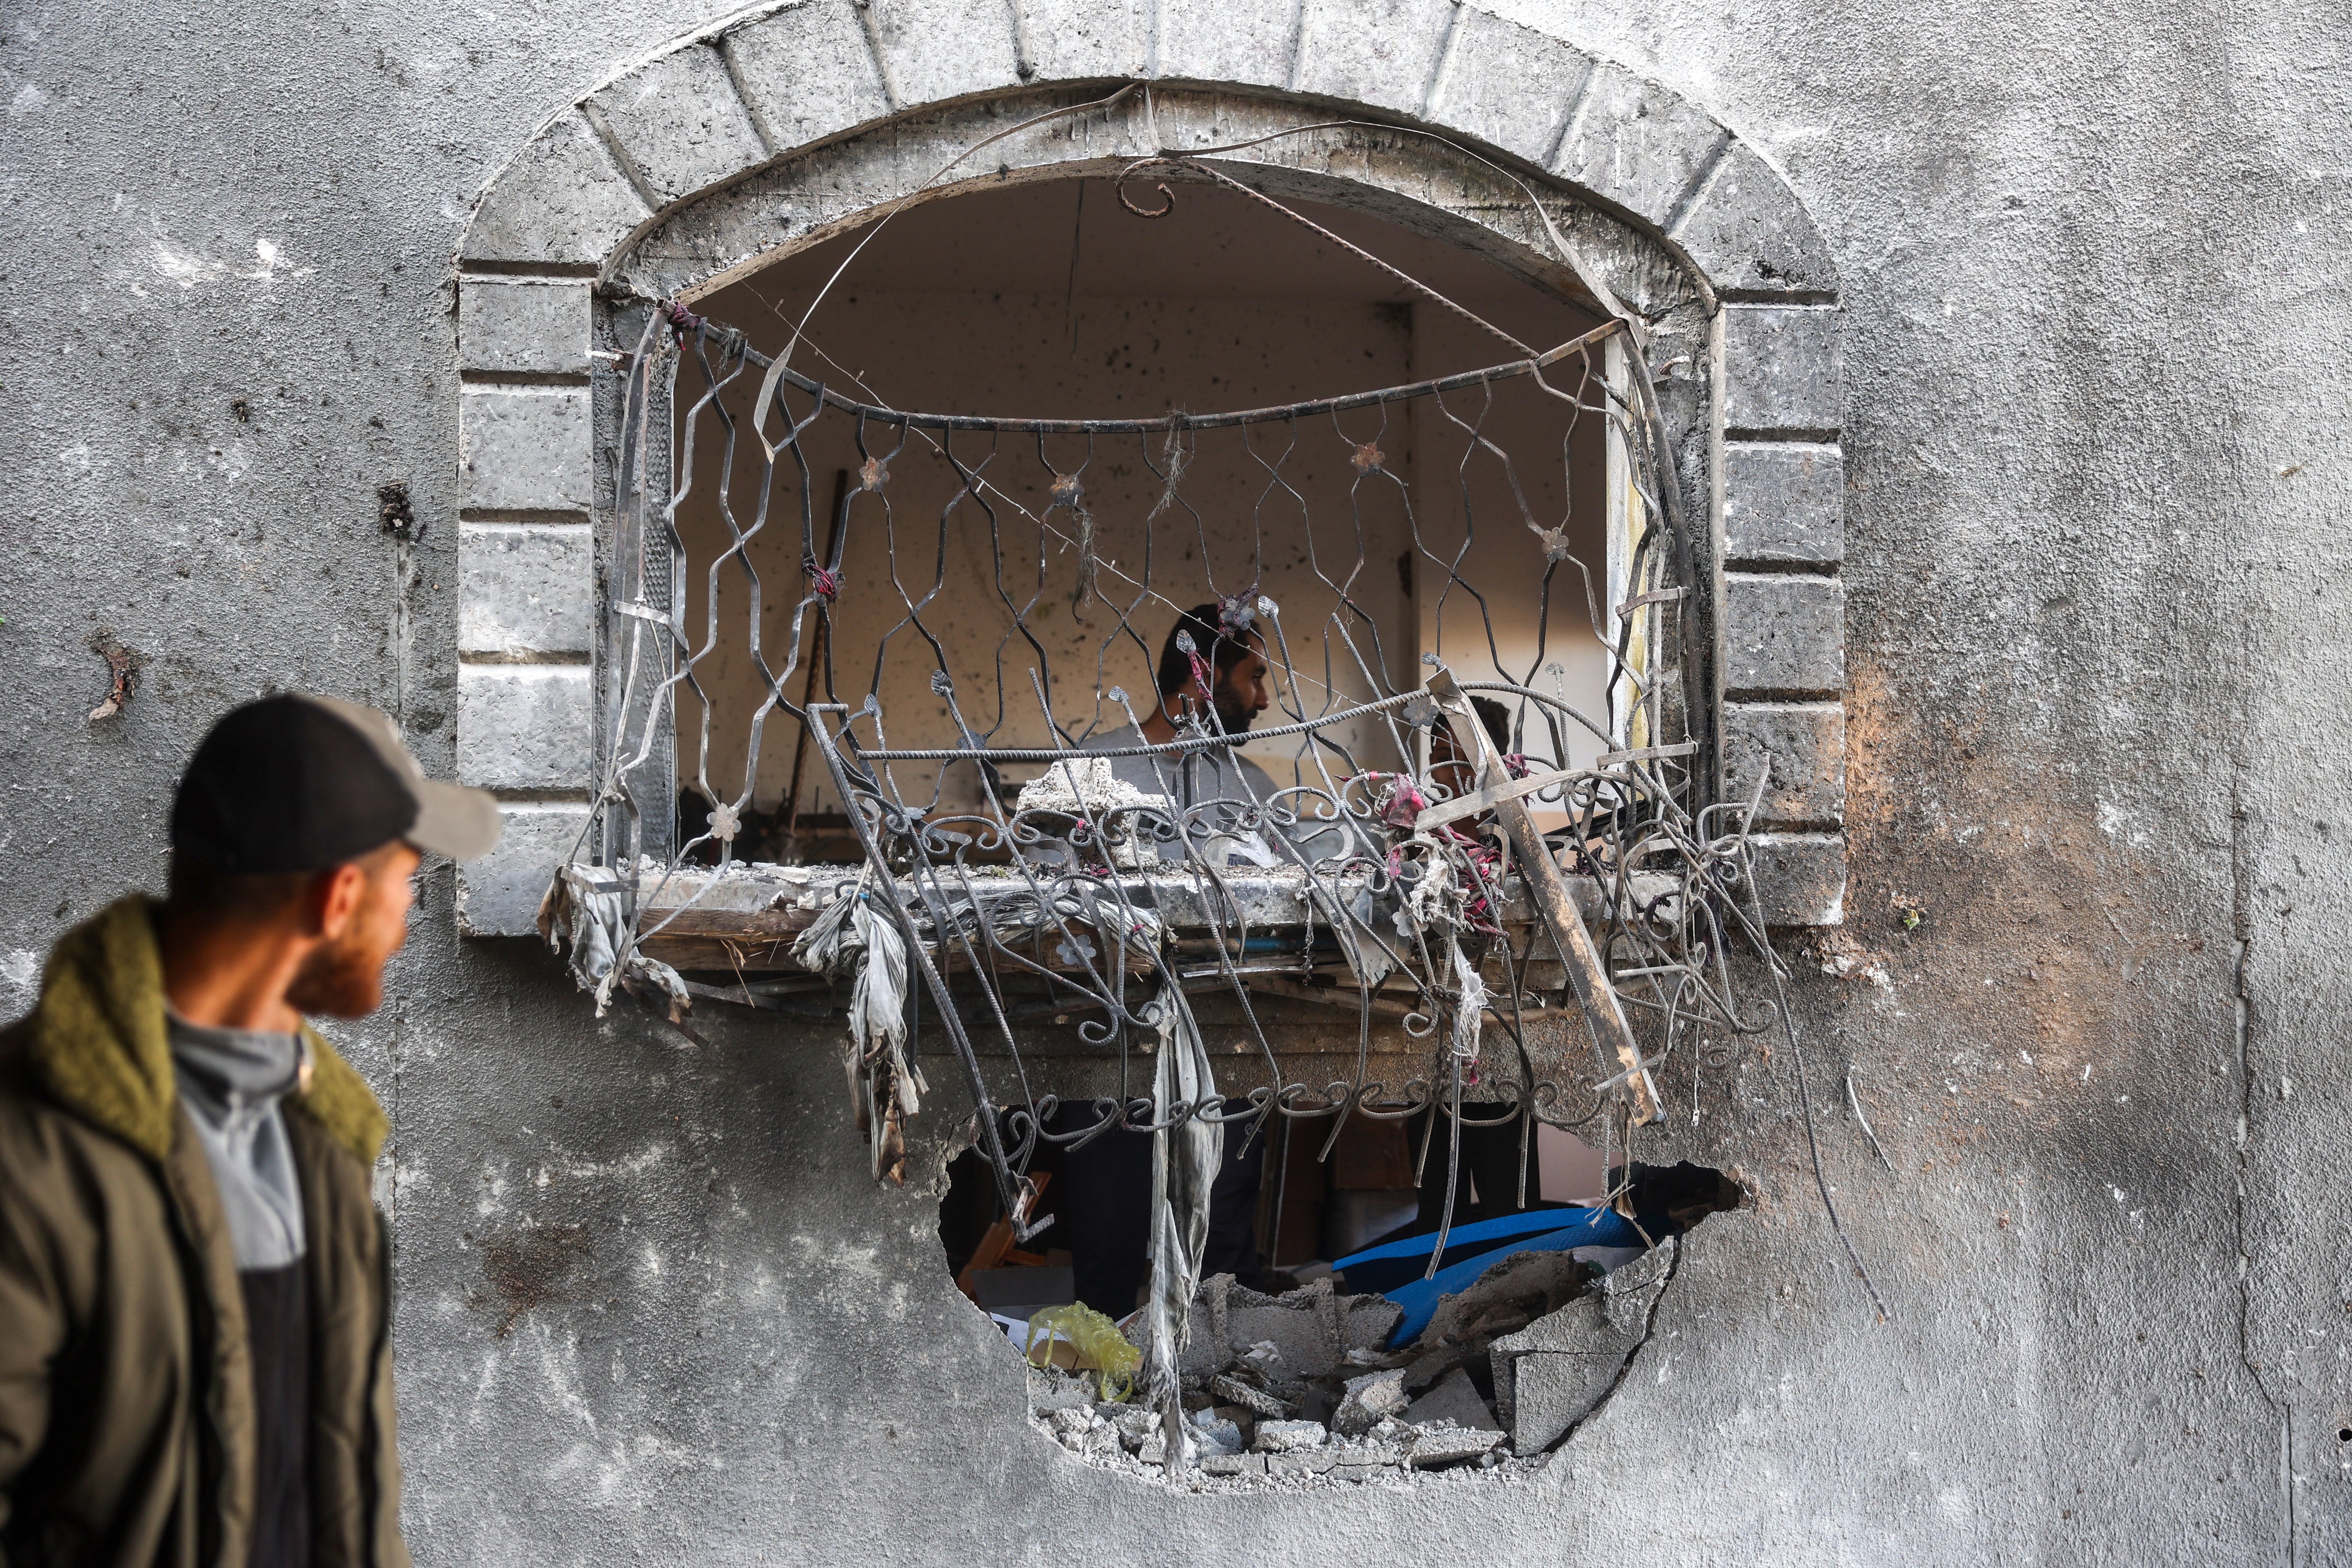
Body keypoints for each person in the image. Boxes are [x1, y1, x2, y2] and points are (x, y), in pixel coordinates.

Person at [0, 694, 500, 1568]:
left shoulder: (326, 1141)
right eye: (408, 882)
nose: (408, 922)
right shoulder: (29, 1151)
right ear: (339, 898)